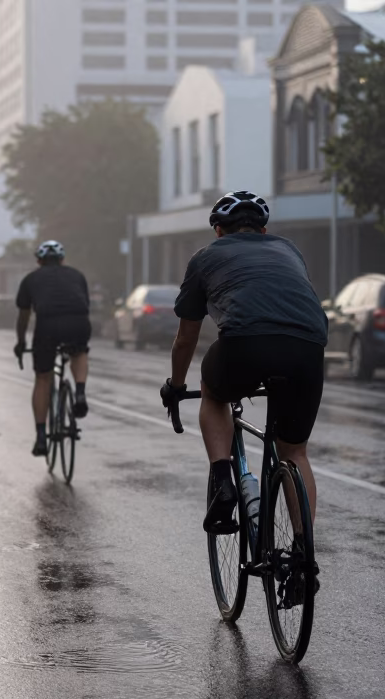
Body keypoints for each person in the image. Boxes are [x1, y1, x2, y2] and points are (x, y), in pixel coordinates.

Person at [160, 190, 327, 550]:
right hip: (308, 348)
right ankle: (302, 554)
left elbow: (186, 339)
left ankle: (223, 482)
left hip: (245, 344)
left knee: (213, 391)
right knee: (295, 452)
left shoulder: (205, 257)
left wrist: (176, 385)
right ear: (264, 232)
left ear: (218, 231)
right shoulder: (289, 250)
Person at [14, 240, 92, 456]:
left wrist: (21, 342)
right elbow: (84, 305)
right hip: (78, 321)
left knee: (43, 378)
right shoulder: (77, 275)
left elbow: (23, 317)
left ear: (39, 261)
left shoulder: (30, 279)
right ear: (62, 259)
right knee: (79, 351)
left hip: (47, 325)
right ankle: (80, 394)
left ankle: (40, 437)